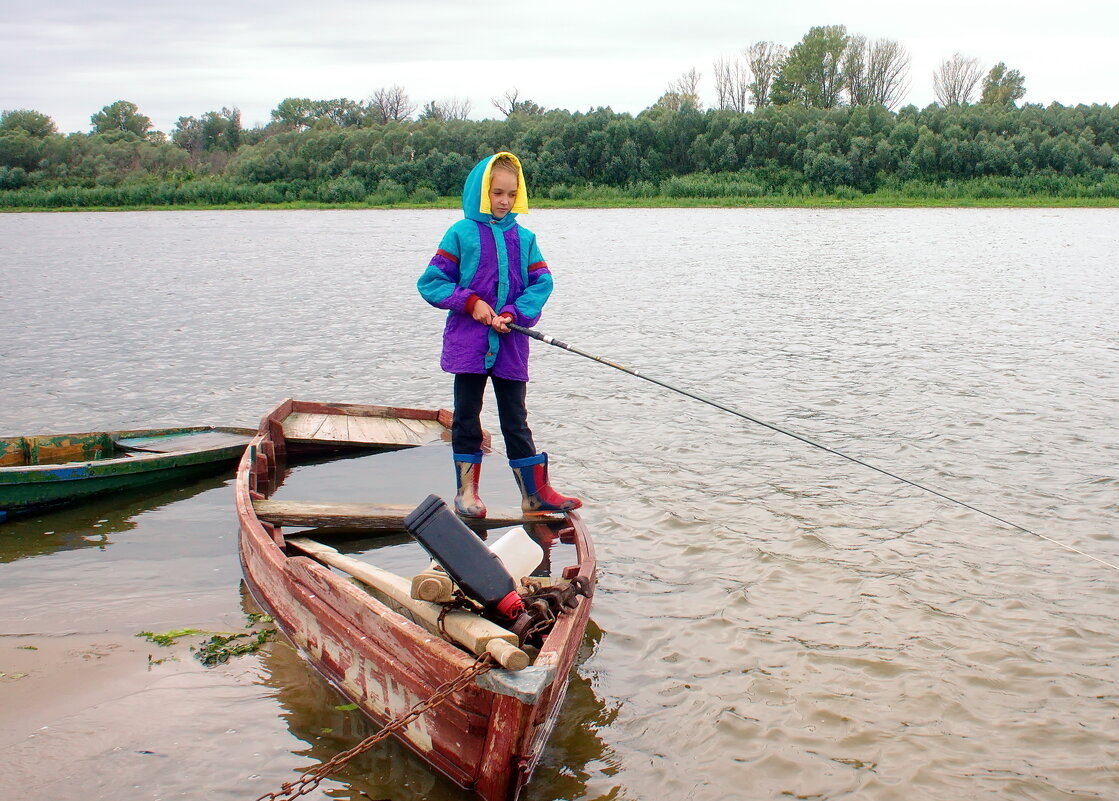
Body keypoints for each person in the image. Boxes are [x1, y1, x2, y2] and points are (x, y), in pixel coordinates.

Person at [417, 151, 581, 518]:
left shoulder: (525, 239)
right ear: (481, 193)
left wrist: (514, 313)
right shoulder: (460, 234)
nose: (504, 201)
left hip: (510, 346)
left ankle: (534, 495)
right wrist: (470, 302)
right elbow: (431, 283)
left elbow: (542, 282)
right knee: (466, 416)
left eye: (510, 194)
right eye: (496, 193)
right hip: (469, 345)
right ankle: (466, 494)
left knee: (515, 418)